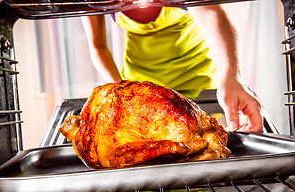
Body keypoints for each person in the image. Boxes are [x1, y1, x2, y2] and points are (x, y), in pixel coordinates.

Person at [81, 4, 263, 132]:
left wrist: (231, 75)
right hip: (140, 84)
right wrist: (121, 90)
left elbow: (211, 14)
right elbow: (98, 47)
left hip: (196, 76)